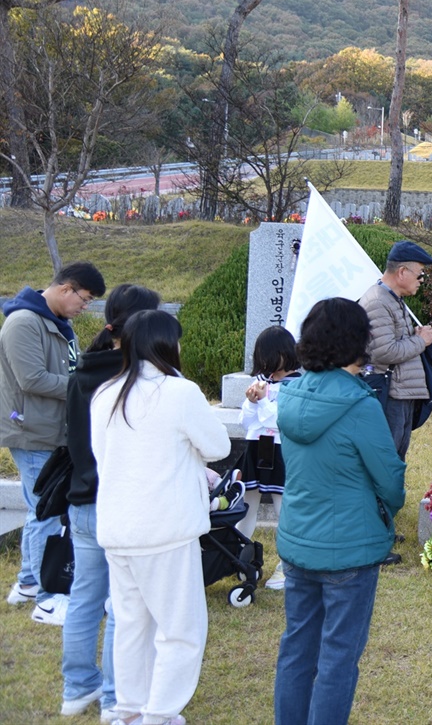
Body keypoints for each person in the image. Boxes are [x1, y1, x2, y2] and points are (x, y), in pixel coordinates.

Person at [91, 310, 231, 725]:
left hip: (118, 527)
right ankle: (159, 712)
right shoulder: (179, 391)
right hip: (165, 529)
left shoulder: (106, 392)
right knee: (180, 629)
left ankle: (130, 708)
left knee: (132, 623)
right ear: (167, 344)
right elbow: (218, 445)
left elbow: (105, 456)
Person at [273, 298, 406, 725]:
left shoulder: (289, 394)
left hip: (298, 539)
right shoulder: (360, 405)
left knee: (297, 646)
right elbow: (390, 480)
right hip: (350, 548)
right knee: (337, 657)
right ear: (357, 341)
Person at [61, 284, 161, 721]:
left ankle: (77, 689)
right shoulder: (133, 377)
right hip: (121, 503)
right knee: (125, 606)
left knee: (85, 598)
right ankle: (116, 698)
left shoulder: (84, 367)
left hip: (82, 497)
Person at [1, 261, 105, 625]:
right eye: (85, 298)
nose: (85, 306)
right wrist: (85, 389)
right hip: (32, 431)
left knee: (41, 509)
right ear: (66, 288)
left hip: (53, 430)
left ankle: (29, 583)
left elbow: (69, 370)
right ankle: (47, 599)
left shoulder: (58, 323)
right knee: (44, 511)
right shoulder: (23, 322)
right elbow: (31, 379)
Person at [358, 240, 432, 463]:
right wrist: (421, 341)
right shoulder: (377, 302)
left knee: (396, 460)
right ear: (402, 272)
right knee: (386, 462)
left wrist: (415, 336)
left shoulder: (392, 299)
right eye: (420, 274)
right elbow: (384, 351)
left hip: (400, 393)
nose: (422, 280)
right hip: (390, 395)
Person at [236, 325, 303, 590]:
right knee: (245, 507)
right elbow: (247, 423)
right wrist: (251, 402)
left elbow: (280, 421)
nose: (265, 364)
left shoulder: (296, 385)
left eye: (268, 357)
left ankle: (289, 566)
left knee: (283, 510)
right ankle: (236, 558)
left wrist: (262, 402)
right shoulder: (262, 382)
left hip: (280, 451)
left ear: (284, 354)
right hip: (255, 449)